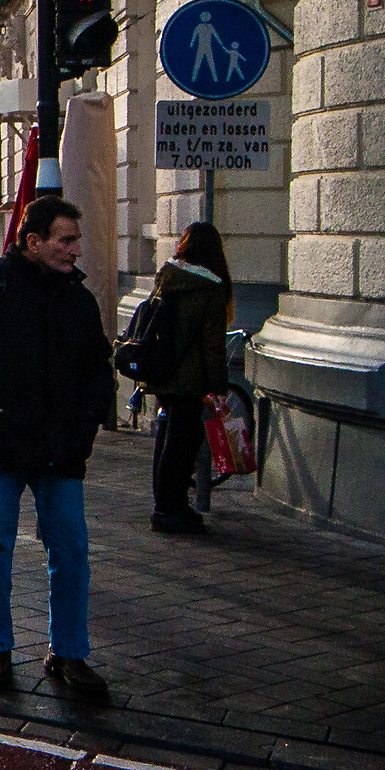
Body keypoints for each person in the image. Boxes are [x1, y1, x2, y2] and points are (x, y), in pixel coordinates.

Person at [0, 196, 113, 700]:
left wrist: (86, 425)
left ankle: (70, 651)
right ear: (32, 242)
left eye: (76, 240)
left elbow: (98, 368)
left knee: (71, 549)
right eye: (66, 240)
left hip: (61, 447)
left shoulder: (78, 300)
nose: (75, 251)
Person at [148, 221, 232, 536]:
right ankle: (169, 509)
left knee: (167, 438)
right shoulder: (209, 289)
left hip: (164, 373)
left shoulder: (168, 278)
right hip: (189, 380)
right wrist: (219, 388)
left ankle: (168, 504)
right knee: (183, 443)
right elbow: (213, 345)